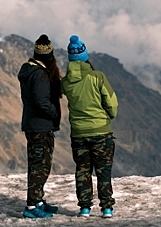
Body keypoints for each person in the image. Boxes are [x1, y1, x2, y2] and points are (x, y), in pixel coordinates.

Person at [61, 35, 118, 218]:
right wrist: (108, 116)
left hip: (78, 134)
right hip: (101, 131)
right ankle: (107, 208)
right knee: (103, 170)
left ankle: (84, 208)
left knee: (82, 170)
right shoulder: (98, 77)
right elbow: (111, 102)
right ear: (85, 55)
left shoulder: (66, 82)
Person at [18, 34, 62, 219]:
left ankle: (38, 201)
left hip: (33, 124)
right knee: (40, 166)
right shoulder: (41, 75)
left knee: (37, 164)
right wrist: (55, 114)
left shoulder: (29, 70)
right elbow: (41, 102)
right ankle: (31, 206)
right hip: (40, 126)